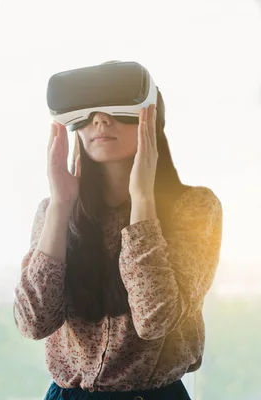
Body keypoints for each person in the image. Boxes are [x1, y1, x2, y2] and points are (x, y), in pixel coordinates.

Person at [13, 84, 223, 400]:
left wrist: (142, 201)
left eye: (116, 109)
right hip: (68, 395)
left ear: (149, 120)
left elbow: (154, 318)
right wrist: (61, 204)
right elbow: (33, 322)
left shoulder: (194, 208)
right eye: (88, 112)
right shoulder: (53, 210)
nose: (99, 119)